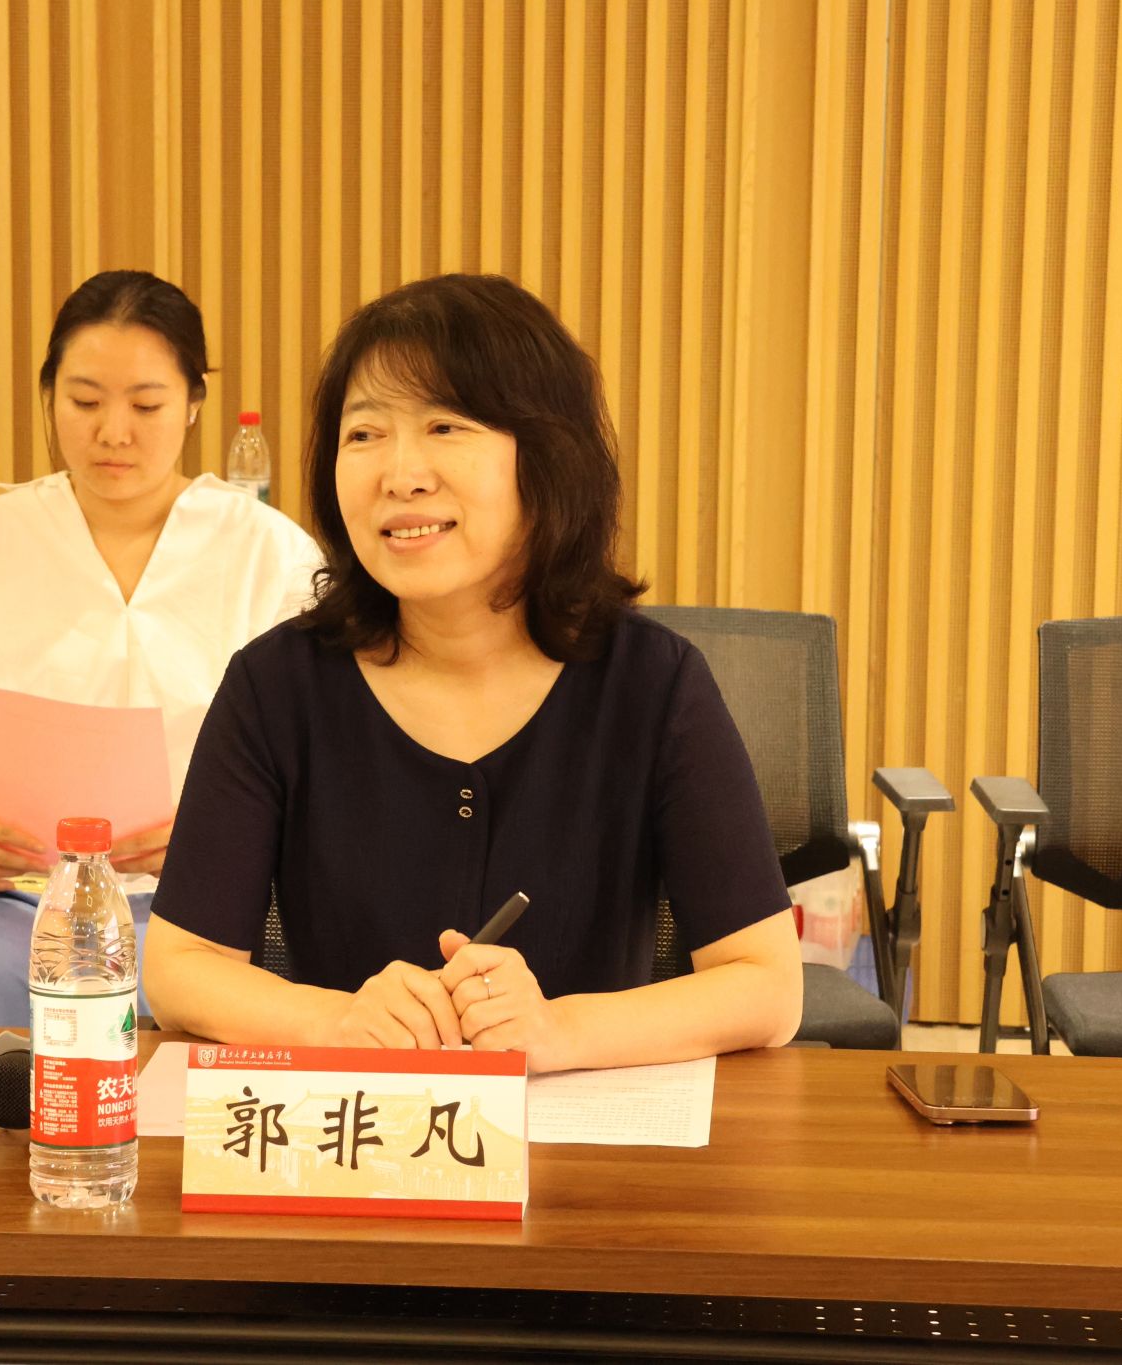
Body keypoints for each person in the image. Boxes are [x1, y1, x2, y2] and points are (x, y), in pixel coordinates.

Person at [144, 274, 803, 1073]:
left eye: (445, 425)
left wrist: (559, 1031)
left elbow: (766, 985)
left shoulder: (652, 685)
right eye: (364, 433)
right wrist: (340, 1020)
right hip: (355, 1135)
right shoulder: (275, 687)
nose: (400, 474)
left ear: (546, 457)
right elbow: (178, 968)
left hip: (580, 1137)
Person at [0, 270, 321, 1027]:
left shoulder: (269, 555)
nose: (113, 432)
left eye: (146, 405)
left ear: (193, 403)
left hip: (204, 905)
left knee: (184, 1004)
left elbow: (330, 757)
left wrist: (219, 836)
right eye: (85, 402)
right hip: (7, 898)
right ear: (49, 395)